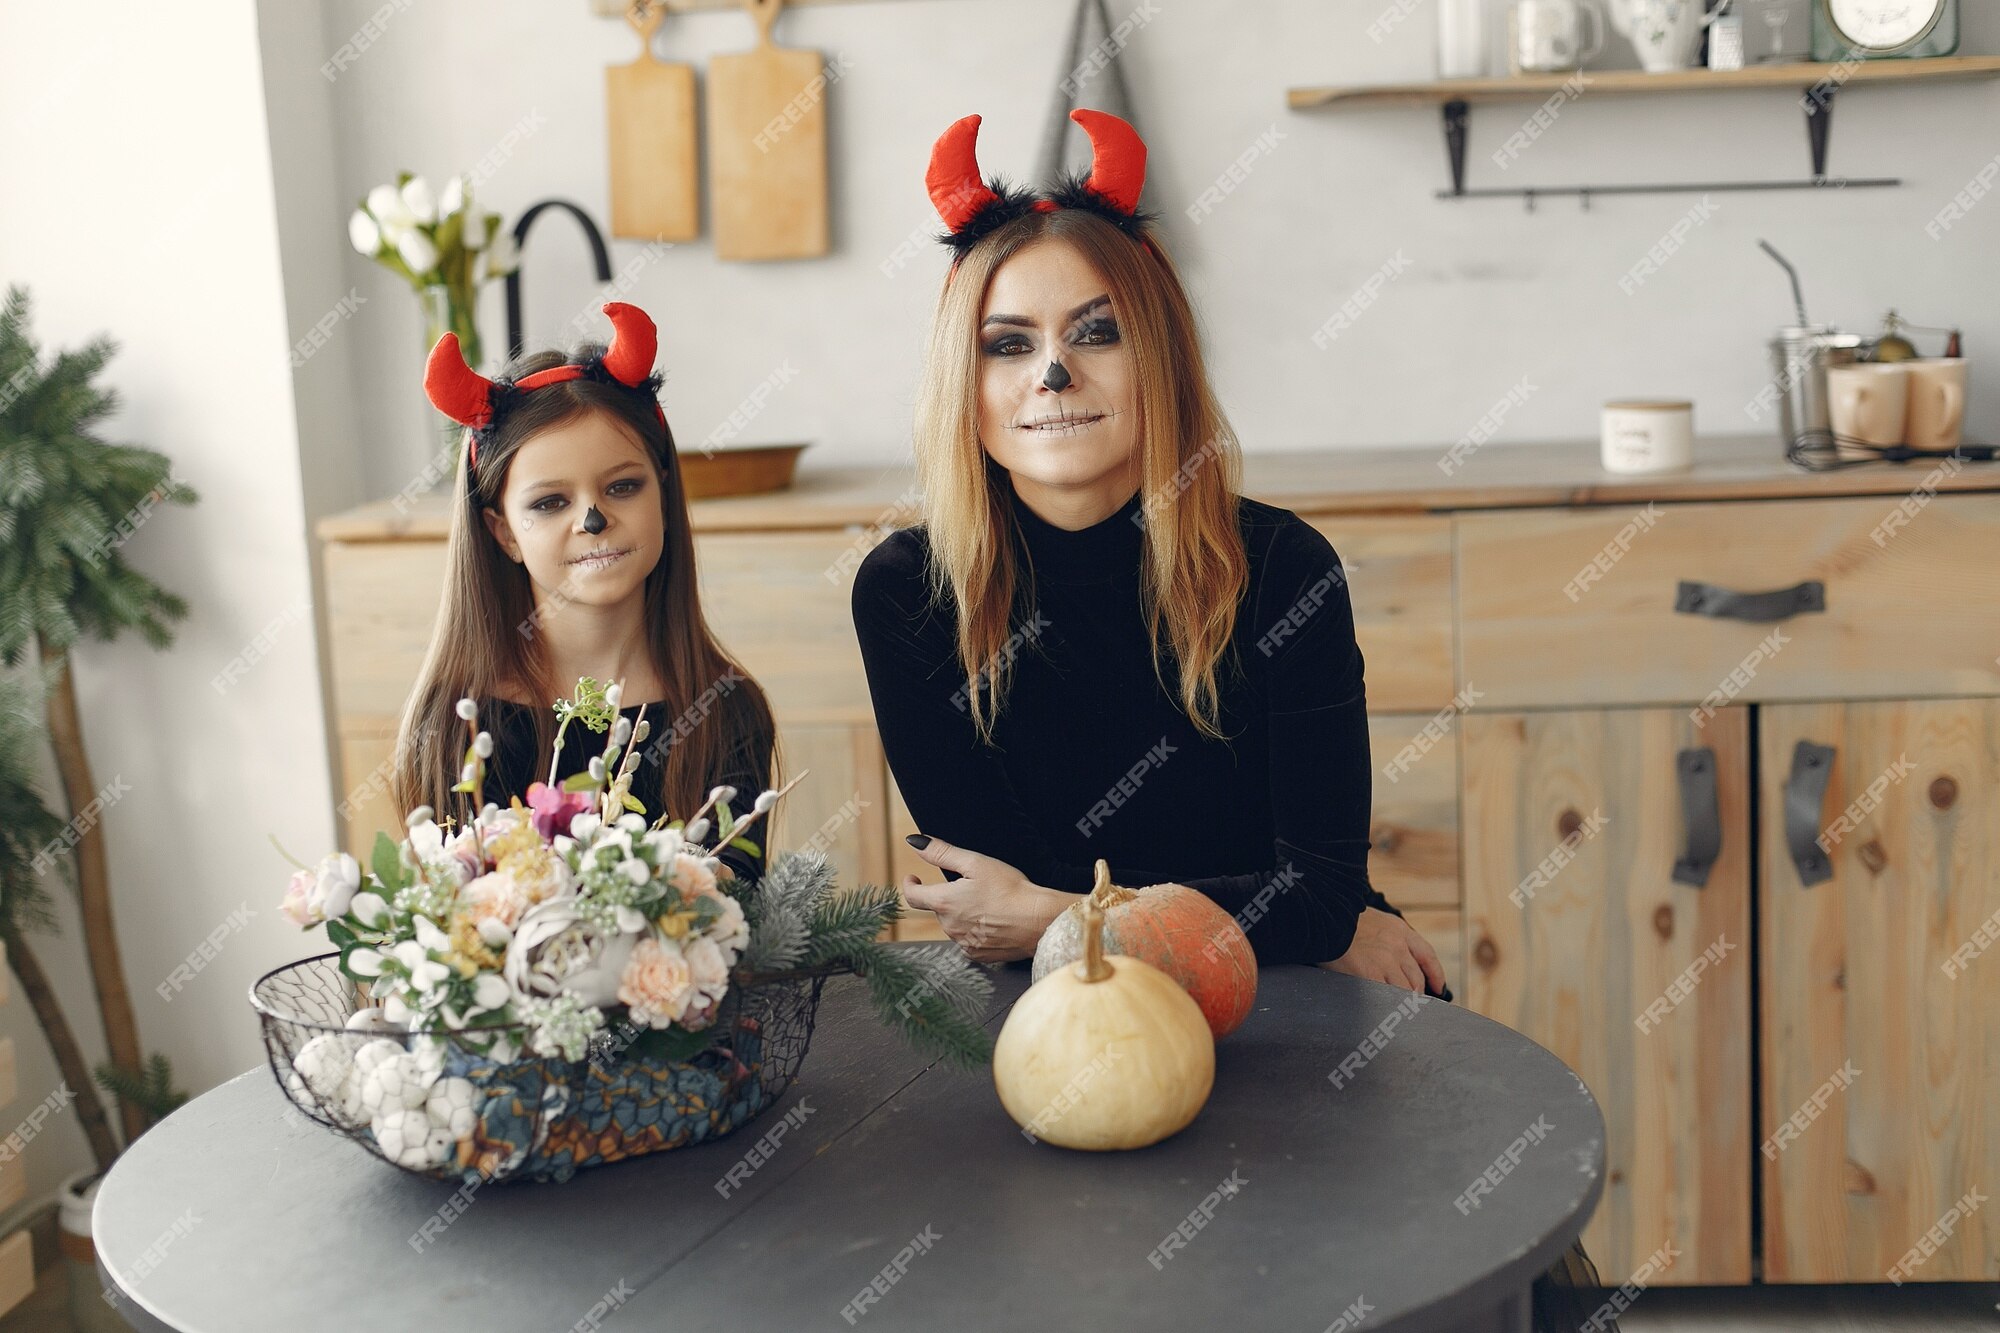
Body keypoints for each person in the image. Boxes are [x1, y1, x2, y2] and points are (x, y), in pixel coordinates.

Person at [851, 110, 1609, 1332]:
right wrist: (1195, 910)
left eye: (1094, 332)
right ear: (967, 384)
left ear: (1160, 356)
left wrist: (1062, 906)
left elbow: (1312, 887)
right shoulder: (907, 591)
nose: (1053, 375)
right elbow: (983, 910)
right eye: (1010, 343)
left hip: (1296, 1015)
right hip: (1059, 1025)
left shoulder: (1279, 565)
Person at [388, 302, 777, 889]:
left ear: (663, 495)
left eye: (622, 486)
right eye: (549, 503)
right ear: (503, 533)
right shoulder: (461, 724)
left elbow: (740, 913)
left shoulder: (726, 708)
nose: (593, 520)